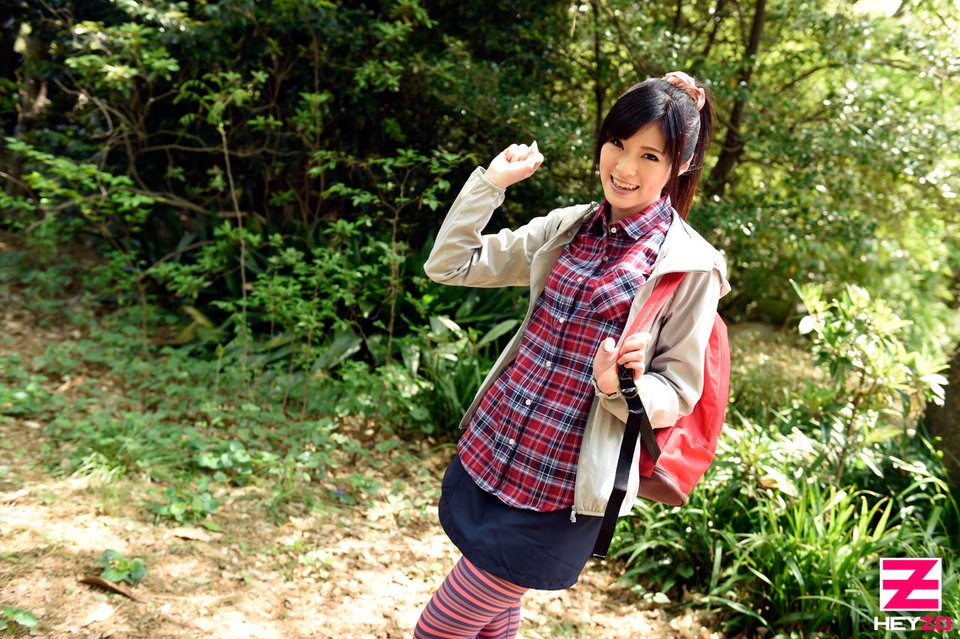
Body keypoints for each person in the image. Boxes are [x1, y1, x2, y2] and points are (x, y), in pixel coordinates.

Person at [416, 71, 730, 639]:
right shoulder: (569, 226)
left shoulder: (690, 266)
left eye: (650, 156)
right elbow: (451, 264)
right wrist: (491, 184)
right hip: (495, 448)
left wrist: (620, 386)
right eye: (617, 144)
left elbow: (679, 390)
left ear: (680, 165)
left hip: (561, 489)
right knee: (492, 624)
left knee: (439, 629)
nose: (625, 167)